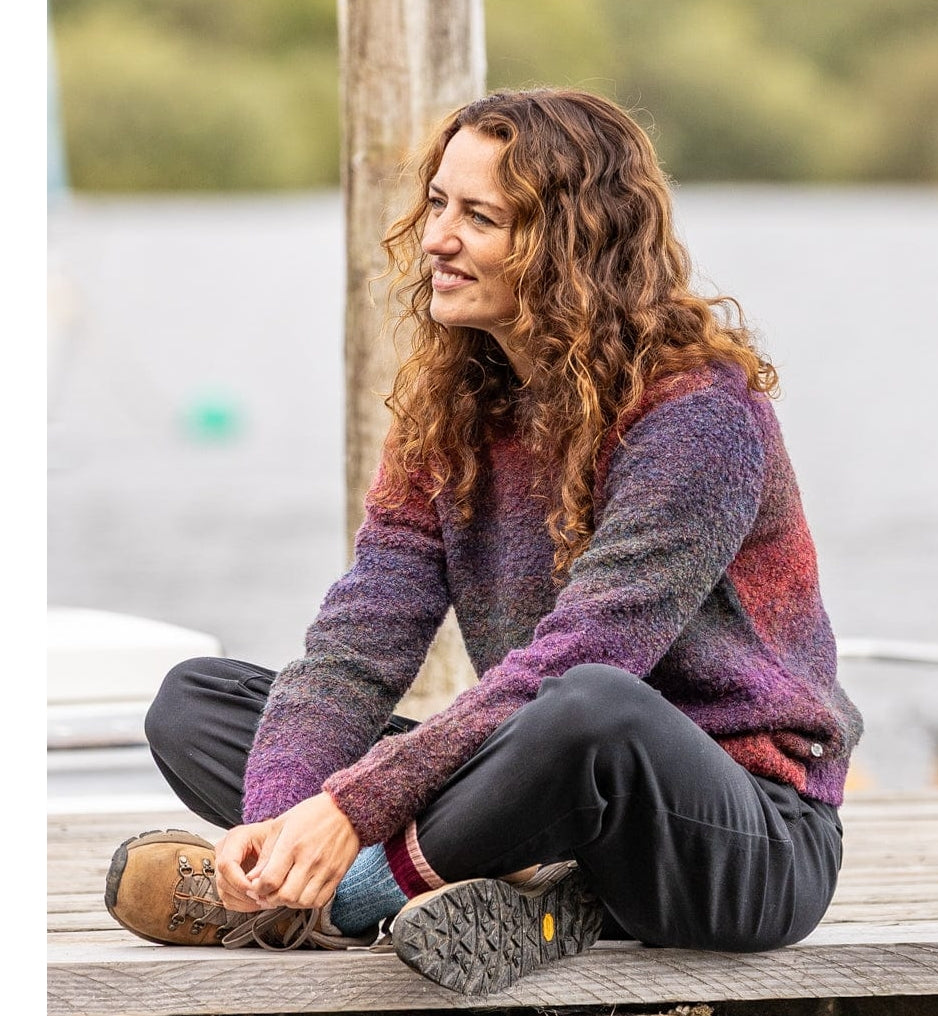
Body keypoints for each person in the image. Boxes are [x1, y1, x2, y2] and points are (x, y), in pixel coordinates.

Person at [105, 87, 863, 997]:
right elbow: (357, 647)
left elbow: (580, 662)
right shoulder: (452, 408)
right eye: (437, 203)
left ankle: (340, 900)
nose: (436, 238)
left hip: (742, 837)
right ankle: (486, 881)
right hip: (541, 780)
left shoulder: (696, 415)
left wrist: (350, 812)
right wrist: (280, 818)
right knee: (196, 704)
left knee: (591, 705)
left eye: (480, 217)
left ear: (574, 242)